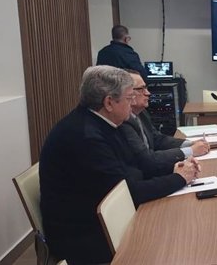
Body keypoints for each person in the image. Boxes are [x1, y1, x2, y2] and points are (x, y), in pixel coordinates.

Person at [39, 65, 201, 264]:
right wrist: (178, 178)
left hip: (94, 216)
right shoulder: (86, 137)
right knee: (176, 241)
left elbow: (134, 167)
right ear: (109, 102)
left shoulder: (102, 122)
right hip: (83, 235)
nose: (133, 103)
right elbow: (128, 193)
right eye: (129, 98)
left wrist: (173, 170)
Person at [120, 70, 209, 164]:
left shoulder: (142, 113)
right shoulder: (123, 121)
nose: (148, 93)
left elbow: (158, 139)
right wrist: (191, 151)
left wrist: (190, 143)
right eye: (141, 89)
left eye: (146, 88)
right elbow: (147, 159)